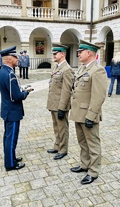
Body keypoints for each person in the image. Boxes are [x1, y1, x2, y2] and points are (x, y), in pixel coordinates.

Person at [69, 40, 107, 185]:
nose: (78, 54)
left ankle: (93, 171)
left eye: (81, 51)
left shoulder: (97, 70)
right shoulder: (83, 69)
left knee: (93, 144)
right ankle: (85, 164)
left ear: (89, 53)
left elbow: (99, 96)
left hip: (88, 114)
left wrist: (91, 115)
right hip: (79, 113)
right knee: (82, 142)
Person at [0, 46, 33, 171]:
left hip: (7, 109)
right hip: (13, 110)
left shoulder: (2, 71)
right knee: (11, 138)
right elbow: (16, 96)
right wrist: (26, 92)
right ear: (9, 59)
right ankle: (10, 164)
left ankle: (10, 157)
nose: (18, 59)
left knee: (8, 136)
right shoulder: (10, 74)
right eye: (15, 57)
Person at [46, 44, 74, 160]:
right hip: (53, 103)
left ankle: (63, 149)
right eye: (53, 53)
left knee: (62, 128)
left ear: (62, 54)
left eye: (55, 53)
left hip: (60, 104)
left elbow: (66, 91)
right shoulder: (57, 67)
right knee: (56, 126)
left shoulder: (67, 70)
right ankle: (57, 145)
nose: (53, 55)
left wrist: (62, 107)